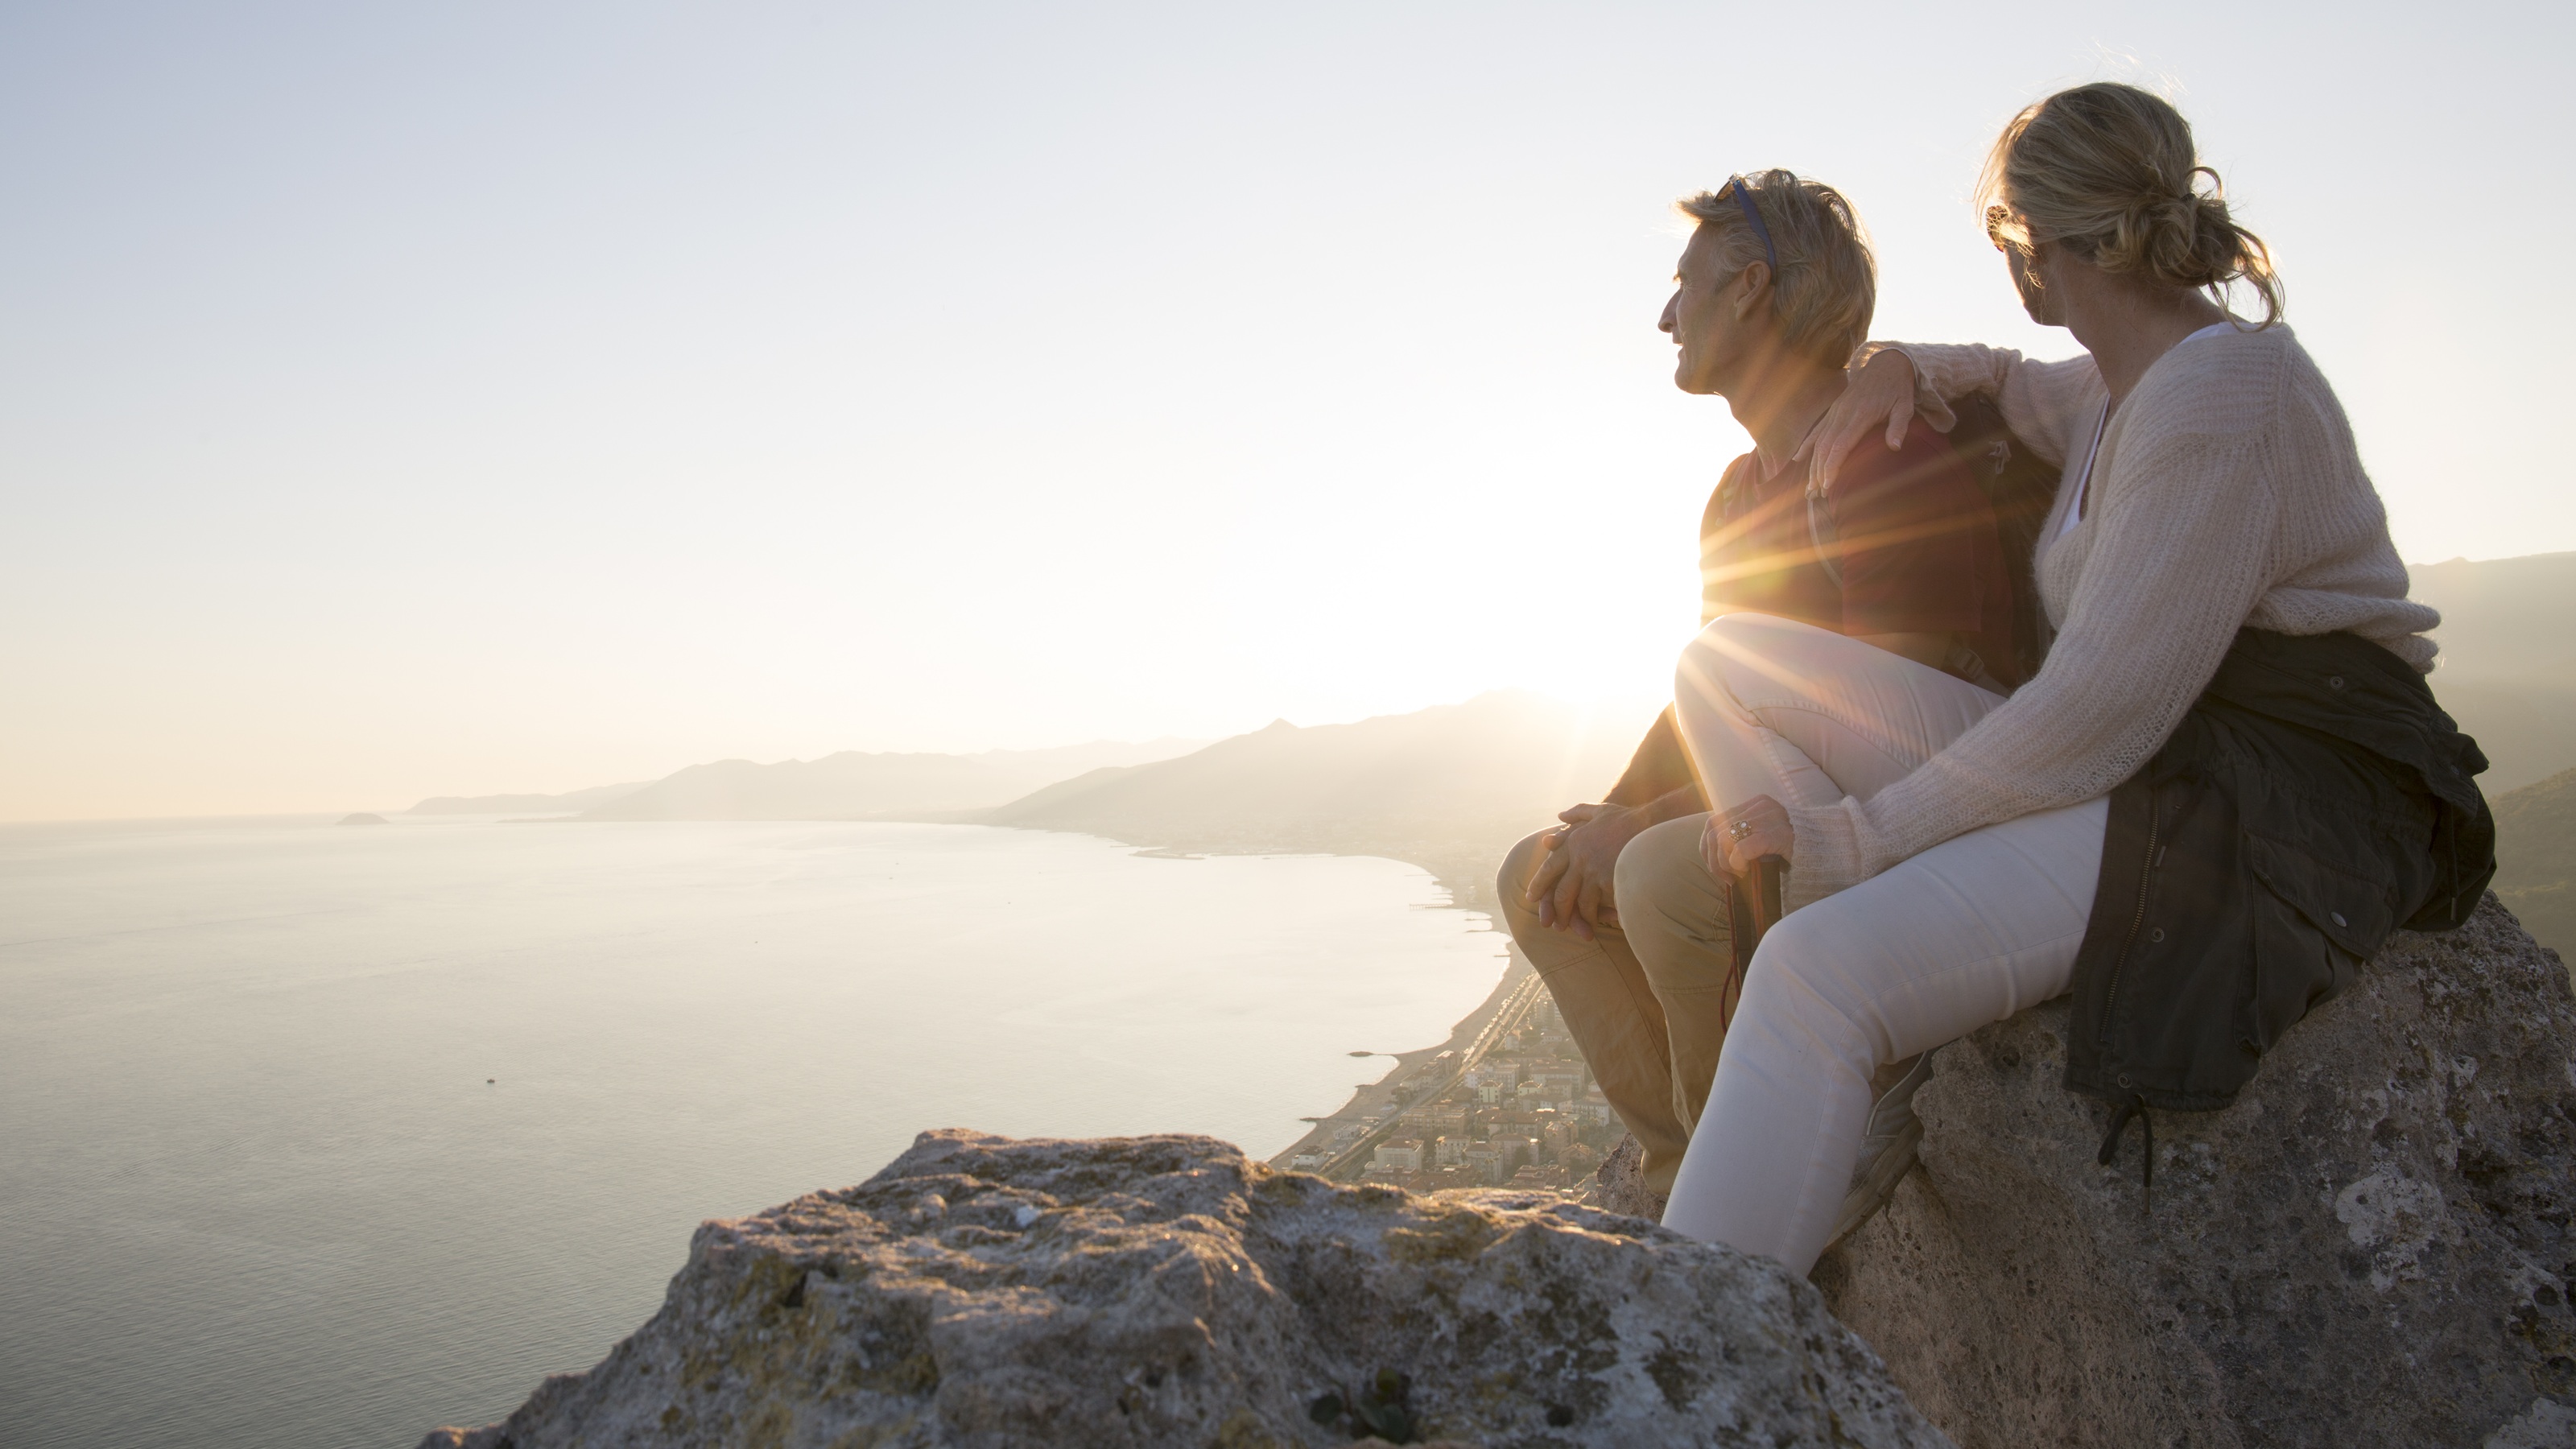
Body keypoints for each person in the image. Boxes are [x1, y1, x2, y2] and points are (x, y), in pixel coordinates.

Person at [1662, 83, 2494, 1276]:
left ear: (2034, 246)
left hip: (2247, 796)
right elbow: (2002, 380)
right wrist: (1896, 366)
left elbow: (2100, 714)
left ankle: (1695, 1354)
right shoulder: (2124, 378)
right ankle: (1844, 1004)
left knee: (1813, 976)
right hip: (2159, 756)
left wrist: (1857, 840)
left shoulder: (2223, 396)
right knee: (1724, 661)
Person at [1494, 169, 2041, 1200]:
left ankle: (1757, 1180)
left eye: (1685, 284)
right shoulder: (1739, 492)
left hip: (1925, 806)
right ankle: (1679, 1173)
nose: (1666, 315)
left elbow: (1872, 715)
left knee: (1659, 873)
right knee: (1540, 874)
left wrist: (1646, 828)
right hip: (1795, 797)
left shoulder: (1881, 455)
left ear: (1748, 288)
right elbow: (1703, 697)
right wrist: (1605, 818)